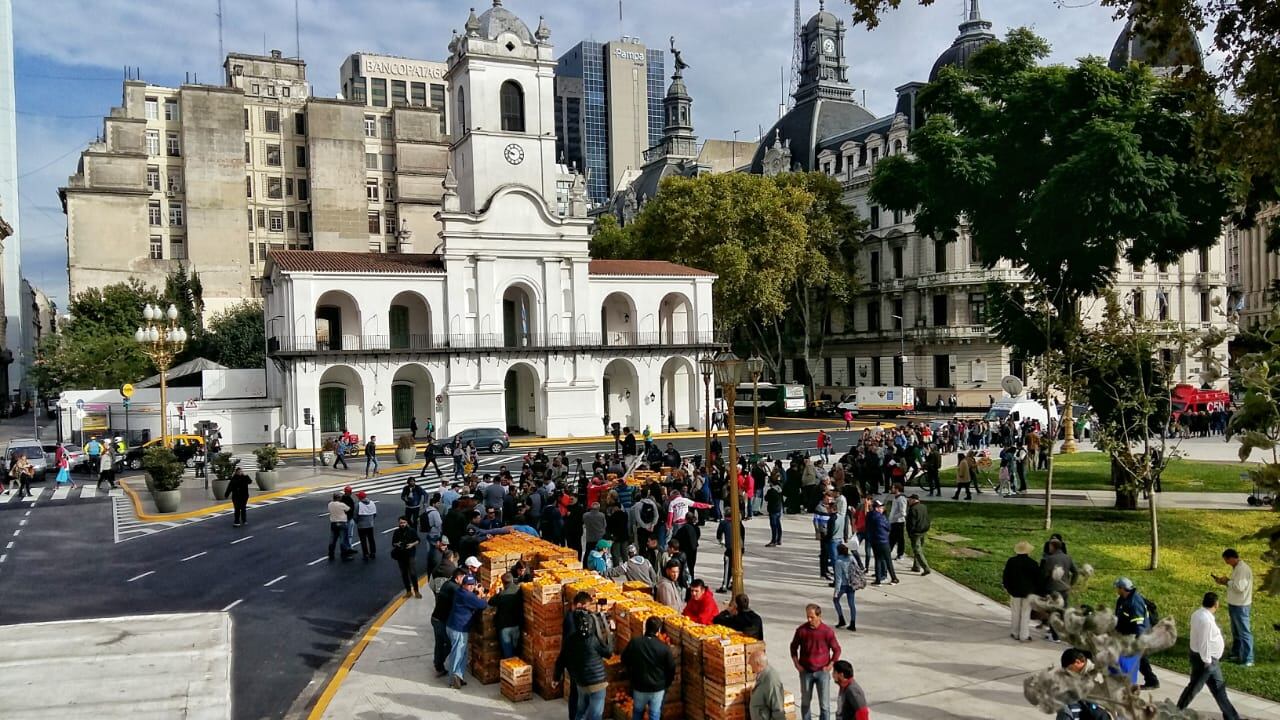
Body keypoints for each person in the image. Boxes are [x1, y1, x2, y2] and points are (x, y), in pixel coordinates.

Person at [1176, 591, 1242, 720]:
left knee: (1219, 690)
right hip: (1206, 661)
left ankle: (1232, 717)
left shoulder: (1197, 614)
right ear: (1216, 604)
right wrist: (1207, 662)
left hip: (1209, 660)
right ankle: (1177, 711)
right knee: (1194, 688)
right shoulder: (1206, 621)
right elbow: (1204, 642)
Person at [556, 605, 613, 720]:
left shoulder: (570, 640)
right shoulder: (593, 640)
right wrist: (610, 634)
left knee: (581, 711)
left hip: (581, 682)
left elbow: (561, 659)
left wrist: (556, 677)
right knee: (595, 715)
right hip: (597, 682)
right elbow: (608, 653)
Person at [790, 603, 841, 720]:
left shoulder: (827, 632)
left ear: (819, 616)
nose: (809, 619)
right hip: (806, 672)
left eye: (812, 617)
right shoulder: (801, 630)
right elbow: (793, 647)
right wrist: (796, 664)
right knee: (805, 703)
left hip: (822, 672)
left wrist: (830, 665)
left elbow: (837, 650)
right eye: (807, 616)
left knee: (824, 705)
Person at [621, 616, 677, 720]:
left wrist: (631, 674)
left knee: (637, 712)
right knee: (654, 714)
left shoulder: (635, 643)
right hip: (657, 688)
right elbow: (671, 669)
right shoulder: (664, 648)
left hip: (639, 686)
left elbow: (624, 659)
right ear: (658, 630)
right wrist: (666, 684)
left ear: (646, 628)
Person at [445, 575, 489, 690]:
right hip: (458, 629)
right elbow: (482, 605)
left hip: (453, 626)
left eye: (472, 584)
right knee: (458, 653)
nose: (470, 587)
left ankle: (459, 676)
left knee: (463, 653)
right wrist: (482, 596)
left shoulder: (460, 592)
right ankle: (453, 679)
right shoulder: (467, 595)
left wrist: (476, 594)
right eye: (468, 585)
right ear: (463, 585)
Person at [1213, 548, 1253, 667]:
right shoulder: (1237, 568)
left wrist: (1227, 582)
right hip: (1235, 604)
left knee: (1244, 632)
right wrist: (1226, 582)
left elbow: (1239, 587)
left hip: (1241, 606)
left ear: (1231, 558)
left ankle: (1248, 659)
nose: (1226, 563)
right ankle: (1236, 653)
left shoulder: (1242, 570)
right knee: (1236, 631)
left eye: (1227, 560)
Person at [1112, 577, 1151, 687]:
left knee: (1137, 659)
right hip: (1125, 634)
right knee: (1140, 659)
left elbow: (1138, 625)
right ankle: (1151, 680)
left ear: (1122, 588)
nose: (1116, 590)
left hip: (1136, 636)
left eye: (1117, 588)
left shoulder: (1134, 603)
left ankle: (1148, 680)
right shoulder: (1123, 599)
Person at [1055, 649, 1113, 720]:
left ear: (1077, 662)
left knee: (1066, 706)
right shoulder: (1083, 671)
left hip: (1101, 712)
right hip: (1091, 708)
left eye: (1070, 669)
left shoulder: (1095, 676)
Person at [1039, 538, 1078, 642]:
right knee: (1062, 612)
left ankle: (1054, 636)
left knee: (1053, 613)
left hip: (1053, 590)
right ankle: (1061, 633)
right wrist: (1071, 584)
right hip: (1064, 589)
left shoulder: (1050, 559)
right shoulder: (1068, 558)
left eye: (1050, 546)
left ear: (1053, 546)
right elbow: (1076, 572)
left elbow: (1044, 575)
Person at [430, 567, 465, 678]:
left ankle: (438, 665)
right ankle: (439, 663)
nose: (465, 581)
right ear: (457, 578)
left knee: (439, 643)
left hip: (435, 618)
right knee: (450, 643)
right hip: (441, 621)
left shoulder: (447, 584)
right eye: (463, 578)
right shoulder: (454, 588)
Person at [1002, 541, 1039, 642]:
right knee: (1026, 614)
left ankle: (1015, 632)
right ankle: (1024, 635)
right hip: (1028, 593)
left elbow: (1006, 577)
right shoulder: (1033, 563)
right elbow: (1037, 579)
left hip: (1014, 592)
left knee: (1015, 612)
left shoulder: (1011, 561)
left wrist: (1007, 588)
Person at [489, 572, 524, 658]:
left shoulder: (502, 594)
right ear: (512, 580)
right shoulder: (519, 590)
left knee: (508, 652)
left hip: (505, 626)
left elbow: (490, 602)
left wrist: (497, 592)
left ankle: (510, 668)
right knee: (517, 650)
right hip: (516, 625)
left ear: (503, 582)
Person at [831, 543, 864, 632]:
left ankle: (841, 619)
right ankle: (853, 623)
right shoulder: (851, 558)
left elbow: (838, 578)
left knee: (836, 600)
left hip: (843, 585)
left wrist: (836, 591)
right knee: (851, 604)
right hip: (852, 584)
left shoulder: (838, 562)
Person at [865, 500, 898, 586]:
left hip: (874, 541)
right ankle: (894, 578)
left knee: (878, 560)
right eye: (881, 507)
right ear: (877, 508)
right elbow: (888, 527)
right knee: (888, 560)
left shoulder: (869, 515)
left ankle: (878, 580)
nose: (883, 509)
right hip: (883, 541)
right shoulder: (881, 517)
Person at [749, 650, 787, 720]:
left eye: (752, 665)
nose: (752, 669)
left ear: (758, 664)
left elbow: (778, 709)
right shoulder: (762, 674)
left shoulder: (772, 681)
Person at [390, 516, 421, 599]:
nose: (402, 524)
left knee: (412, 573)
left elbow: (418, 540)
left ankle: (416, 591)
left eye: (404, 522)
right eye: (401, 523)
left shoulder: (412, 531)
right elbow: (393, 543)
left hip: (410, 554)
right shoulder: (396, 532)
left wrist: (412, 545)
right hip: (400, 555)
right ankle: (408, 591)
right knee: (404, 574)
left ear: (407, 523)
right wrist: (398, 544)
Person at [715, 514, 745, 593]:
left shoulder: (724, 523)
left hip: (730, 548)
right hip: (740, 548)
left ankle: (724, 585)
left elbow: (718, 534)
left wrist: (721, 541)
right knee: (737, 566)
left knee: (727, 567)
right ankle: (735, 583)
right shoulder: (739, 523)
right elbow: (743, 535)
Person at [905, 494, 931, 575]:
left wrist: (910, 532)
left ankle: (926, 568)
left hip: (916, 533)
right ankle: (916, 566)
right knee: (919, 549)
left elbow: (911, 523)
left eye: (909, 500)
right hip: (923, 530)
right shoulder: (923, 507)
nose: (908, 501)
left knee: (917, 550)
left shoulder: (913, 509)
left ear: (913, 500)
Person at [327, 492, 354, 561]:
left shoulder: (330, 504)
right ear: (338, 498)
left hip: (333, 523)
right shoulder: (341, 505)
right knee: (343, 540)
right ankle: (344, 555)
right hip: (342, 523)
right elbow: (349, 509)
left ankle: (331, 554)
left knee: (332, 540)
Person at [355, 491, 377, 559]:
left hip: (361, 525)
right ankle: (373, 552)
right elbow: (375, 514)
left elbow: (355, 515)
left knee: (363, 540)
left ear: (359, 497)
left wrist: (357, 521)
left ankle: (366, 554)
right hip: (370, 524)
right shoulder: (372, 503)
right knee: (371, 539)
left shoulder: (358, 504)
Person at [887, 485, 907, 559]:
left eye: (893, 488)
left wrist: (894, 517)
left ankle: (900, 554)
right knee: (891, 538)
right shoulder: (895, 498)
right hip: (894, 522)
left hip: (899, 522)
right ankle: (888, 552)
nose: (891, 489)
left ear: (897, 489)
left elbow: (903, 512)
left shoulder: (901, 499)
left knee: (900, 539)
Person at [765, 476, 785, 547]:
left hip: (773, 510)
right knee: (778, 524)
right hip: (778, 509)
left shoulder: (771, 491)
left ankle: (774, 540)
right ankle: (778, 539)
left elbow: (766, 498)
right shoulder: (779, 489)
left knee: (773, 525)